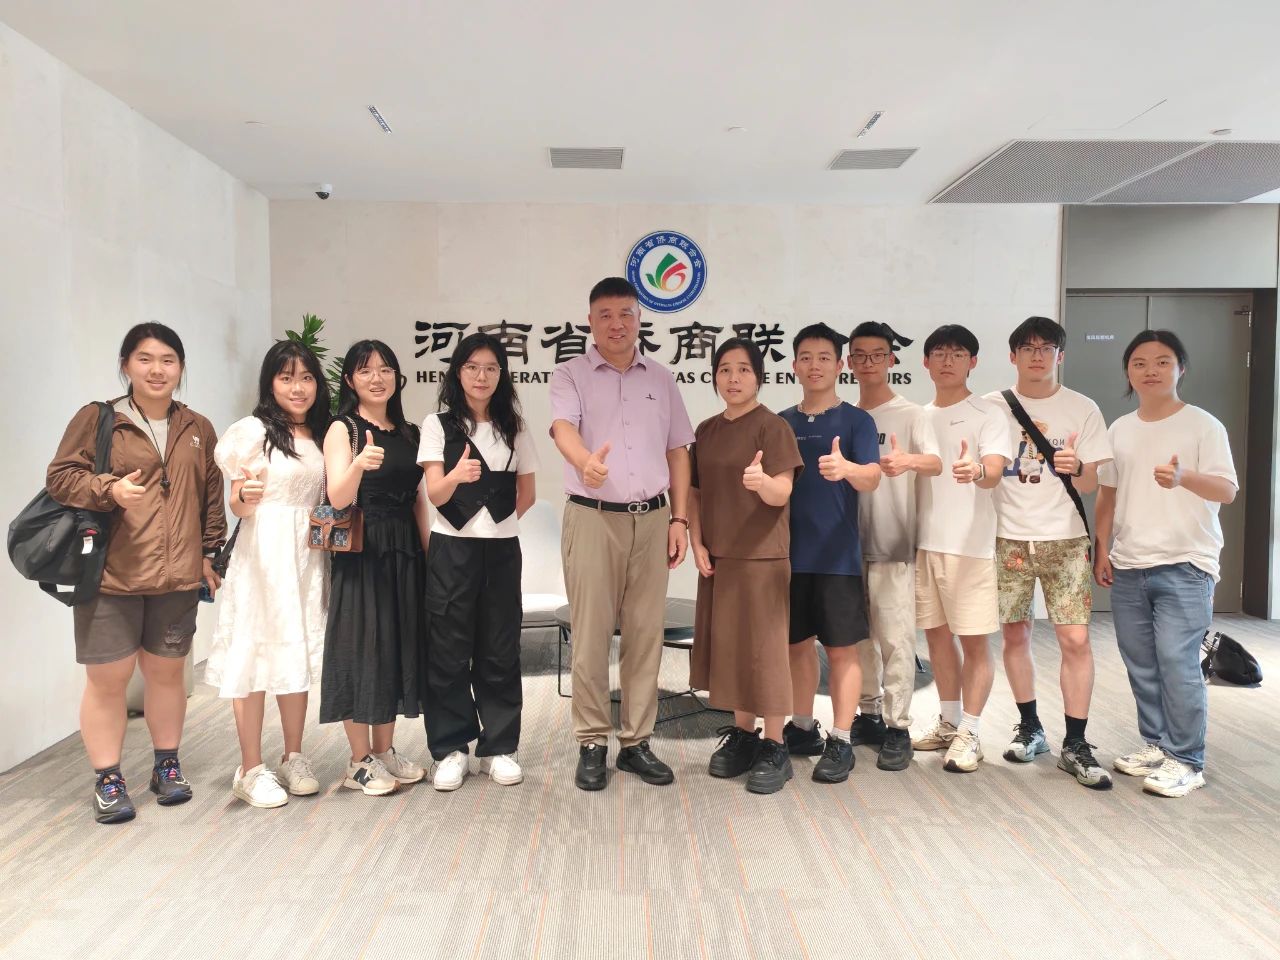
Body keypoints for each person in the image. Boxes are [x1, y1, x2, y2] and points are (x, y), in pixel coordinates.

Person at [46, 323, 226, 824]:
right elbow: (61, 476)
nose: (157, 370)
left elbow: (211, 494)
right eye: (145, 359)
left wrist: (209, 553)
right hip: (111, 575)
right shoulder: (99, 418)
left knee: (166, 675)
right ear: (126, 365)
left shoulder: (197, 426)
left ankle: (167, 765)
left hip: (177, 577)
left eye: (168, 360)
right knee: (108, 680)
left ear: (181, 368)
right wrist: (109, 489)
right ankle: (108, 778)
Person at [550, 277, 695, 792]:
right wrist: (584, 462)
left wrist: (679, 520)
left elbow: (678, 450)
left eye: (626, 314)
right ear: (590, 322)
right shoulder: (569, 374)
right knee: (591, 634)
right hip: (593, 517)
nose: (617, 324)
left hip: (654, 519)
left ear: (639, 319)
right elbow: (562, 429)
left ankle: (636, 742)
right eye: (606, 315)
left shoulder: (661, 377)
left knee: (644, 633)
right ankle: (592, 741)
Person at [1094, 330, 1237, 798]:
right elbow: (1107, 495)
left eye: (1162, 361)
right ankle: (1156, 744)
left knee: (1178, 662)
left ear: (1181, 368)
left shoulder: (1203, 425)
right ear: (1128, 372)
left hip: (1186, 563)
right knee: (1141, 663)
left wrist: (1184, 477)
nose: (1150, 370)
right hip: (1129, 563)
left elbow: (1227, 491)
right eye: (1139, 362)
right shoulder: (1120, 428)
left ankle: (1187, 760)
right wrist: (1102, 548)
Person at [985, 317, 1114, 790]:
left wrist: (1077, 466)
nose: (1037, 356)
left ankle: (1075, 742)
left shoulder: (1083, 408)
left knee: (1075, 640)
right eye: (1028, 347)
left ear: (1061, 355)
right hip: (1008, 538)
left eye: (1046, 348)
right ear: (1013, 355)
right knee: (1015, 635)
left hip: (1066, 541)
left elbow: (1091, 483)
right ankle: (1031, 727)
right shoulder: (991, 407)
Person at [206, 340, 331, 808]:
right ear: (270, 383)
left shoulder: (323, 433)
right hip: (263, 552)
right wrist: (245, 497)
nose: (298, 388)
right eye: (286, 378)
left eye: (306, 378)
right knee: (255, 651)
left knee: (295, 648)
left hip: (307, 554)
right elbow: (237, 503)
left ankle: (293, 756)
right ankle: (250, 767)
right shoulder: (252, 432)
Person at [419, 333, 539, 791]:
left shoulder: (515, 427)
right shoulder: (437, 425)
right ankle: (451, 749)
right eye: (472, 367)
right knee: (448, 649)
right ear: (458, 372)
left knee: (500, 648)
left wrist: (496, 524)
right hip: (452, 548)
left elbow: (527, 493)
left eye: (491, 368)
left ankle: (499, 748)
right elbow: (435, 494)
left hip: (502, 551)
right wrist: (456, 476)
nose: (481, 376)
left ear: (501, 374)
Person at [690, 339, 804, 794]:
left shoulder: (773, 428)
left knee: (766, 654)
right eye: (724, 369)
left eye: (743, 369)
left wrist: (761, 483)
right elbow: (695, 492)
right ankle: (743, 735)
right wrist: (697, 541)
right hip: (720, 557)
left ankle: (775, 744)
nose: (733, 378)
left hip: (763, 557)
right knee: (733, 650)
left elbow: (783, 492)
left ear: (759, 376)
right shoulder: (706, 430)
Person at [320, 339, 430, 796]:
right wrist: (360, 465)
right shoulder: (342, 429)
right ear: (350, 380)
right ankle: (358, 760)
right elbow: (337, 497)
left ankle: (384, 751)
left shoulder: (410, 433)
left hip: (404, 548)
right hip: (363, 548)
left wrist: (429, 553)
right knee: (361, 646)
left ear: (397, 377)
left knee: (395, 645)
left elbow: (419, 499)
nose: (377, 378)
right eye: (365, 371)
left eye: (385, 369)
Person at [777, 325, 881, 783]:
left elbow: (873, 477)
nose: (814, 365)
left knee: (841, 651)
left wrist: (848, 468)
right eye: (806, 357)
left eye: (824, 357)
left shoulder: (857, 421)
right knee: (796, 647)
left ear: (840, 366)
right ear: (794, 366)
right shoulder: (781, 422)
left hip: (838, 557)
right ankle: (802, 727)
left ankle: (841, 739)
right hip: (788, 556)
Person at [910, 324, 1013, 773]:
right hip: (924, 543)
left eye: (957, 354)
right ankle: (949, 721)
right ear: (926, 362)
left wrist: (978, 471)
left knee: (973, 641)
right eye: (939, 353)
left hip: (969, 546)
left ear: (973, 362)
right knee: (936, 637)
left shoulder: (988, 413)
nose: (947, 361)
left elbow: (994, 472)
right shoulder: (919, 416)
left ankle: (971, 731)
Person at [850, 321, 942, 771]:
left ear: (891, 359)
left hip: (893, 542)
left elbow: (936, 462)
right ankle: (867, 713)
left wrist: (908, 460)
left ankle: (897, 726)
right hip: (847, 546)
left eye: (877, 355)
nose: (868, 363)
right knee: (858, 638)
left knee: (895, 637)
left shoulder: (911, 414)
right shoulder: (847, 415)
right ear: (849, 362)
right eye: (860, 355)